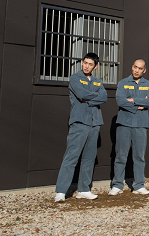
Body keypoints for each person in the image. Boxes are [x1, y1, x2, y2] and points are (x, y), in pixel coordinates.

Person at [54, 53, 107, 202]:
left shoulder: (97, 81)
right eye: (85, 62)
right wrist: (92, 97)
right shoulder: (75, 78)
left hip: (95, 122)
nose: (86, 66)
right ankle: (61, 191)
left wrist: (88, 100)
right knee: (71, 156)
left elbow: (104, 97)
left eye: (90, 64)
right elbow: (81, 94)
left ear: (95, 66)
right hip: (79, 121)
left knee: (89, 158)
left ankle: (84, 189)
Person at [109, 59, 149, 196]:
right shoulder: (123, 83)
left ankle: (139, 185)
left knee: (139, 156)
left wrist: (134, 100)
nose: (137, 70)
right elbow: (120, 101)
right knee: (121, 155)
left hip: (140, 124)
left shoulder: (148, 84)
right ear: (132, 67)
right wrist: (139, 106)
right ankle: (117, 185)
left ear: (144, 70)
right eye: (135, 67)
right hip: (124, 123)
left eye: (140, 68)